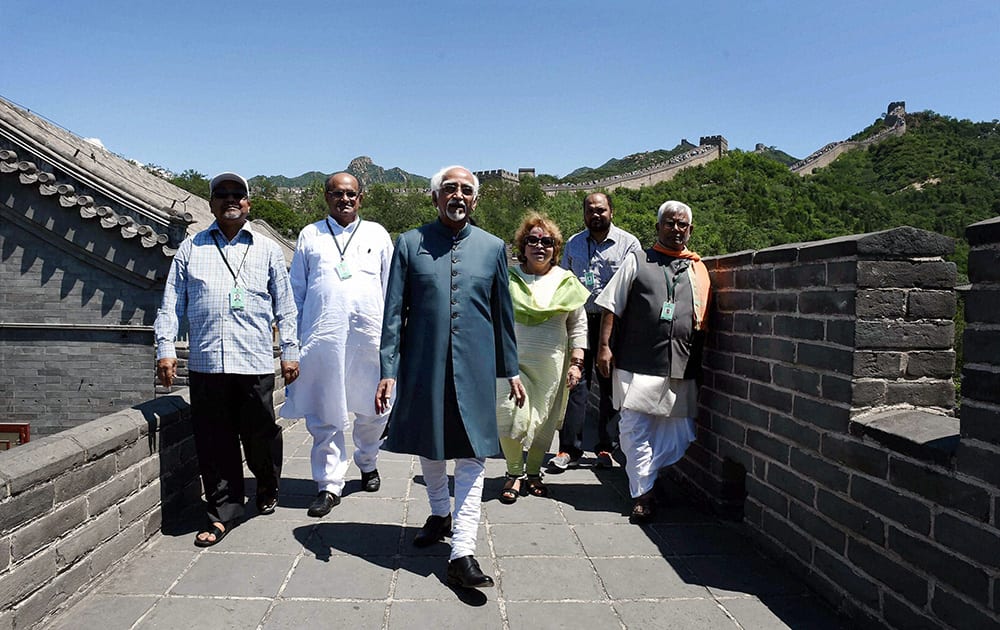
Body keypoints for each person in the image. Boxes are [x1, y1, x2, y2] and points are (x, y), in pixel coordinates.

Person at [375, 165, 526, 589]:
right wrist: (388, 370)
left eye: (465, 190)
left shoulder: (493, 247)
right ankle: (440, 511)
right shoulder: (409, 244)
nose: (457, 195)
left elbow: (503, 315)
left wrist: (509, 367)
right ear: (435, 197)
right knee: (432, 442)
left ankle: (463, 550)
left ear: (475, 200)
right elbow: (392, 315)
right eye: (449, 189)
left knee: (474, 452)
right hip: (423, 363)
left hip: (475, 367)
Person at [154, 172, 299, 547]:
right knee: (214, 443)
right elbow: (171, 303)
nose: (230, 199)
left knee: (261, 434)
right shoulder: (192, 248)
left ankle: (267, 482)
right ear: (211, 203)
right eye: (222, 194)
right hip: (206, 366)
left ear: (248, 203)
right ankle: (223, 513)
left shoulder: (266, 249)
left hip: (253, 364)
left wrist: (290, 352)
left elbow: (286, 308)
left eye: (238, 194)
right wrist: (166, 348)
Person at [281, 173, 393, 517]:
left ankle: (367, 459)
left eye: (351, 194)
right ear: (326, 197)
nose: (345, 200)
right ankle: (329, 484)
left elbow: (391, 288)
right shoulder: (310, 234)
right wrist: (290, 342)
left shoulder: (377, 234)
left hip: (369, 339)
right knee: (325, 414)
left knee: (373, 409)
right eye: (337, 194)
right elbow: (295, 290)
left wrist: (394, 339)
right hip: (322, 340)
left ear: (361, 198)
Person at [595, 200, 710, 523]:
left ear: (690, 230)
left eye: (682, 225)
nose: (676, 229)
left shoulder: (695, 268)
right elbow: (611, 305)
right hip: (636, 362)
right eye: (670, 223)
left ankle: (645, 475)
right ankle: (642, 495)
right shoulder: (638, 260)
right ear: (658, 226)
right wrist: (604, 347)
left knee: (679, 433)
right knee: (635, 430)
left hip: (680, 363)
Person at [496, 213, 589, 503]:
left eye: (546, 241)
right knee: (508, 414)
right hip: (511, 361)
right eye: (532, 240)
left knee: (544, 420)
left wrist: (576, 362)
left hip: (552, 363)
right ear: (522, 246)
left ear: (555, 248)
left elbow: (578, 324)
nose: (539, 246)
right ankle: (514, 472)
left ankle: (533, 472)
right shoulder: (507, 279)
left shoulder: (566, 281)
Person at [551, 192, 641, 471]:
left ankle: (605, 447)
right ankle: (569, 450)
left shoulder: (629, 244)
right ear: (584, 214)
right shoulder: (574, 244)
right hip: (579, 320)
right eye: (590, 211)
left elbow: (635, 287)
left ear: (611, 212)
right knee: (576, 383)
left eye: (601, 210)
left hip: (613, 324)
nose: (596, 215)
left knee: (611, 386)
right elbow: (563, 282)